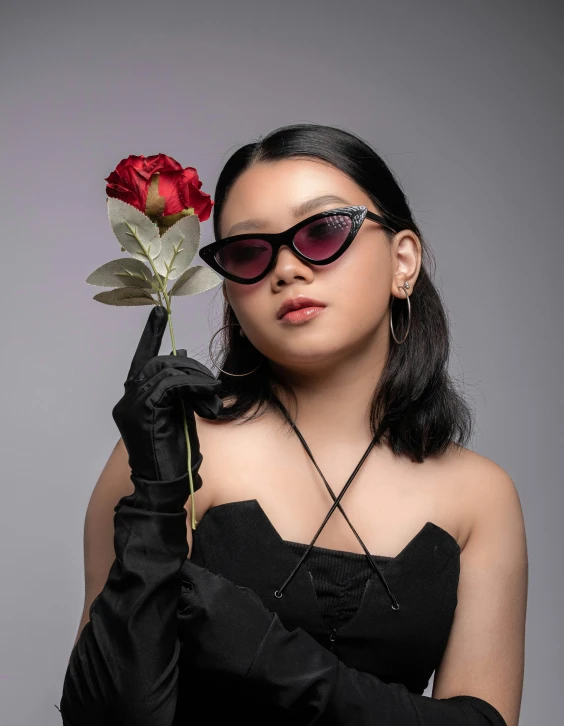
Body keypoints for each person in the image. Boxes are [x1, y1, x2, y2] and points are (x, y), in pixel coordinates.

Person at [58, 123, 527, 725]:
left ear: (402, 260)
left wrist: (269, 658)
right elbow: (104, 719)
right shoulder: (168, 454)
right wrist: (154, 500)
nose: (286, 269)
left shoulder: (481, 496)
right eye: (250, 252)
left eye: (323, 231)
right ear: (230, 291)